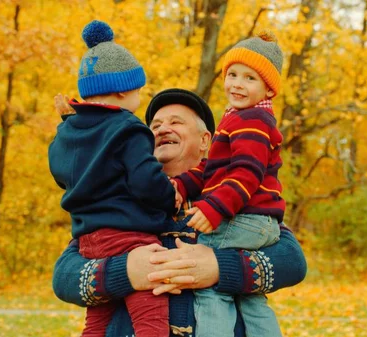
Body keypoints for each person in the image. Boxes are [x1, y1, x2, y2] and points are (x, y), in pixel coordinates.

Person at [52, 88, 307, 337]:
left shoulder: (231, 197)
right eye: (155, 126)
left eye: (176, 122)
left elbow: (292, 261)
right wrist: (126, 271)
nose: (163, 129)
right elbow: (64, 277)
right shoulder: (119, 201)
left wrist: (220, 267)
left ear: (206, 141)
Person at [48, 20, 176, 337]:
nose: (139, 98)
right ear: (121, 89)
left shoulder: (69, 131)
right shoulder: (128, 128)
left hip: (89, 240)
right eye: (138, 90)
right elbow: (146, 181)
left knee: (96, 323)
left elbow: (59, 169)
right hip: (129, 236)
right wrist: (170, 196)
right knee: (150, 319)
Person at [172, 32, 285, 337]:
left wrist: (213, 209)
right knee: (252, 298)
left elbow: (247, 173)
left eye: (249, 78)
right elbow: (210, 171)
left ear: (268, 89)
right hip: (260, 221)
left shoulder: (251, 120)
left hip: (244, 217)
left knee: (208, 283)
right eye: (232, 74)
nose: (236, 83)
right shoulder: (239, 119)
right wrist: (182, 186)